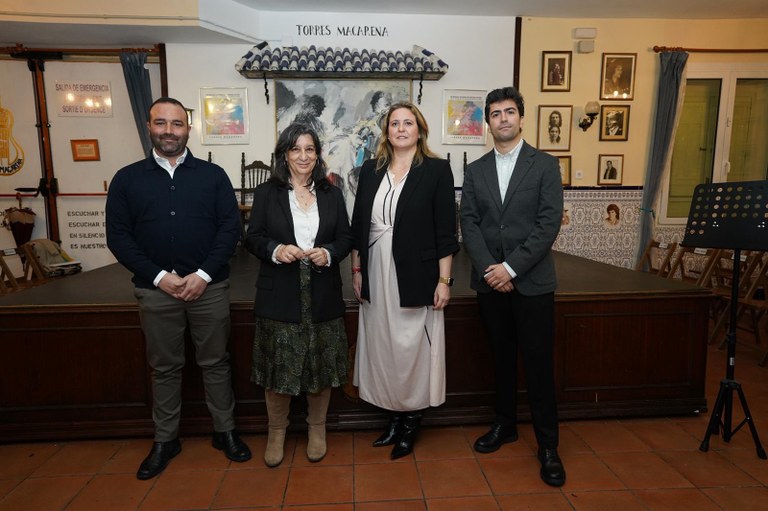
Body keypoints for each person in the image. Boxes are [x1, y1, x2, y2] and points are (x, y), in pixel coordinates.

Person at [106, 97, 251, 480]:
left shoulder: (213, 176)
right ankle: (165, 439)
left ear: (188, 128)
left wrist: (202, 274)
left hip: (209, 289)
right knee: (164, 368)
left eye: (176, 124)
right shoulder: (127, 179)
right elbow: (118, 237)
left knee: (215, 363)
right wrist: (159, 277)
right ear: (149, 126)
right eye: (161, 123)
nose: (169, 131)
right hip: (156, 292)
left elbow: (229, 229)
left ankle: (225, 432)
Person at [459, 87, 566, 487]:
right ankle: (505, 425)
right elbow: (468, 222)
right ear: (487, 122)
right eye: (495, 113)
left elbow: (547, 224)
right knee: (501, 361)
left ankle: (549, 446)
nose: (502, 119)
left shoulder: (545, 165)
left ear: (521, 118)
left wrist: (511, 268)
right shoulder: (476, 169)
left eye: (509, 112)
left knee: (538, 367)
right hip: (490, 285)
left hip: (533, 284)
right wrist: (491, 268)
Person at [350, 101, 459, 460]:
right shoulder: (369, 170)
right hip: (375, 270)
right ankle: (394, 418)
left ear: (419, 130)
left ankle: (412, 421)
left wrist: (444, 280)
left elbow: (446, 232)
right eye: (394, 123)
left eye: (407, 123)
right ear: (386, 131)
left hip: (416, 273)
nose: (400, 128)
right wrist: (357, 270)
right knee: (384, 345)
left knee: (411, 346)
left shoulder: (437, 171)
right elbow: (357, 228)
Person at [245, 123, 353, 467]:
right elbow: (253, 238)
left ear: (318, 154)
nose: (303, 156)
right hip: (280, 293)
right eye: (296, 149)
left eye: (310, 149)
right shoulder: (267, 193)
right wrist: (277, 249)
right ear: (284, 155)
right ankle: (276, 432)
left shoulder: (333, 193)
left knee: (319, 367)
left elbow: (346, 238)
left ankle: (316, 429)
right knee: (279, 369)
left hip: (322, 292)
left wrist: (330, 253)